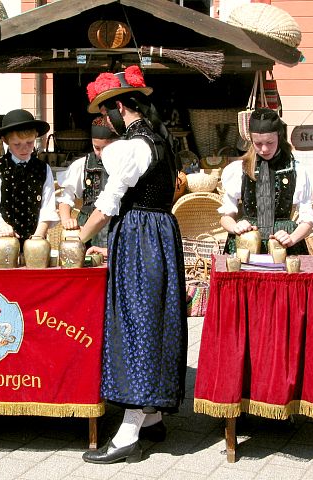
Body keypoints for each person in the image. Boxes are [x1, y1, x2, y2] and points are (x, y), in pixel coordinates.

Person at [79, 65, 187, 464]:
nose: (103, 120)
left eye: (105, 111)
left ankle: (128, 433)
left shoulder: (128, 147)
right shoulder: (160, 140)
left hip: (140, 236)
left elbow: (108, 204)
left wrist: (79, 237)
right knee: (154, 319)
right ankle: (153, 415)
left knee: (136, 323)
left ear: (120, 108)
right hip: (160, 232)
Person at [219, 108, 313, 254]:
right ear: (251, 140)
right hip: (248, 243)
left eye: (270, 142)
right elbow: (226, 217)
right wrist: (236, 227)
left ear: (279, 136)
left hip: (283, 244)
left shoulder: (295, 170)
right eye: (258, 144)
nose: (264, 149)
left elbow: (307, 219)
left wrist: (292, 238)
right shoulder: (240, 169)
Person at [0, 109, 59, 244]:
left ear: (35, 137)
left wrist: (38, 236)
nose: (24, 149)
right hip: (3, 243)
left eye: (29, 143)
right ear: (6, 141)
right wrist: (1, 225)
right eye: (17, 144)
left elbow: (47, 207)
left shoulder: (43, 169)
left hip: (36, 241)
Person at [57, 116, 120, 248]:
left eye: (107, 148)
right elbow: (66, 198)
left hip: (118, 227)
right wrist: (66, 219)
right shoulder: (82, 165)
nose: (102, 153)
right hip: (87, 228)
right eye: (97, 148)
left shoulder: (126, 167)